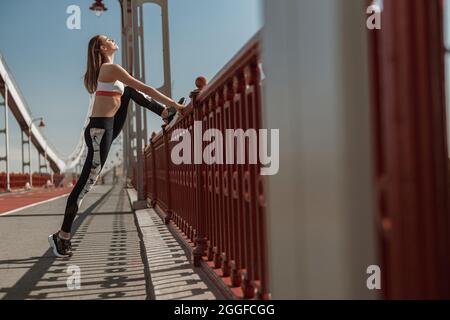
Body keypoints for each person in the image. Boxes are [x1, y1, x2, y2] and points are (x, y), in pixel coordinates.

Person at [48, 34, 185, 257]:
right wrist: (175, 105)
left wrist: (168, 109)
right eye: (108, 40)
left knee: (129, 91)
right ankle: (62, 237)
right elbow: (146, 88)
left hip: (105, 129)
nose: (113, 40)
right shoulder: (110, 69)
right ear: (102, 48)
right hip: (99, 132)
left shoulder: (111, 75)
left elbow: (134, 92)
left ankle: (164, 114)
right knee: (83, 187)